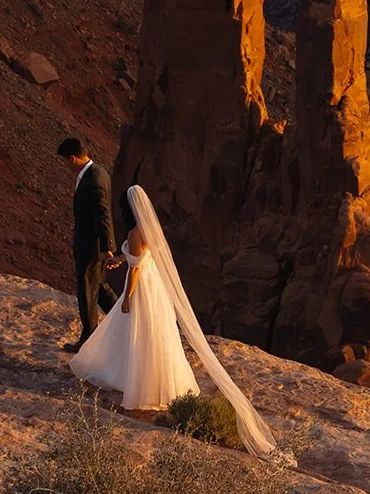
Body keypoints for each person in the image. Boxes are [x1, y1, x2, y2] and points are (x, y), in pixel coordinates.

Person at [68, 183, 281, 460]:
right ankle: (159, 383)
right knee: (156, 336)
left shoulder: (134, 232)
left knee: (136, 334)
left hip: (142, 288)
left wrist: (129, 298)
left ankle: (136, 383)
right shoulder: (150, 230)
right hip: (155, 288)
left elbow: (135, 270)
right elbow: (140, 258)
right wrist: (121, 259)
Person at [57, 137, 118, 351]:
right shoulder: (99, 171)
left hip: (91, 247)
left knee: (87, 292)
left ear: (72, 158)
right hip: (95, 245)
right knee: (100, 287)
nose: (66, 167)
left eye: (65, 162)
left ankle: (87, 342)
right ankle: (125, 322)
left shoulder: (92, 180)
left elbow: (103, 214)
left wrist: (108, 247)